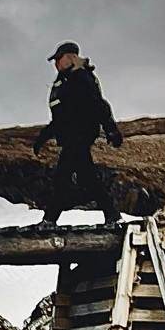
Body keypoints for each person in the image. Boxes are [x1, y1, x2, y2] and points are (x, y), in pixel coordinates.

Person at [32, 41, 124, 224]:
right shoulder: (67, 80)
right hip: (72, 136)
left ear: (71, 57)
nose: (56, 64)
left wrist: (111, 130)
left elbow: (99, 104)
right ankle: (112, 215)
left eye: (59, 59)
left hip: (80, 135)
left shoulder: (81, 78)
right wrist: (44, 136)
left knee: (62, 177)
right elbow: (61, 117)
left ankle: (50, 219)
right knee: (86, 177)